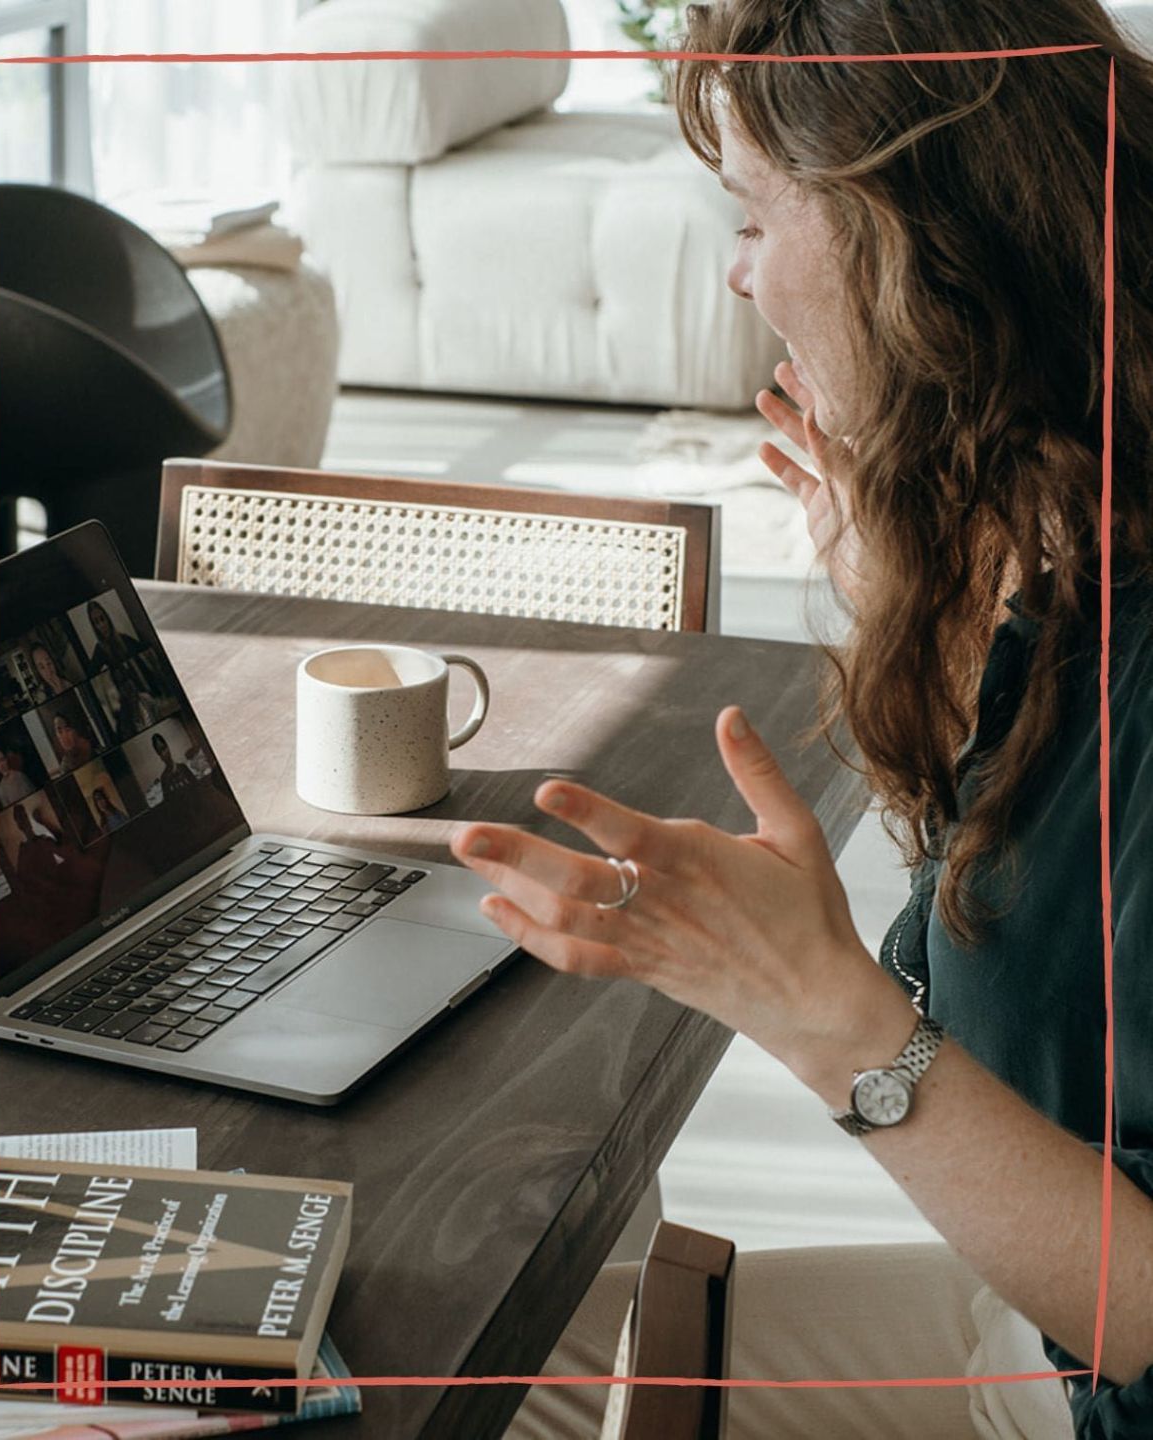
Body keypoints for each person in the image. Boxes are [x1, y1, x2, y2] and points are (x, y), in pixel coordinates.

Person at [453, 5, 1153, 1439]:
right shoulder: (1066, 554)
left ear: (913, 244)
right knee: (487, 1363)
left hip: (1098, 1377)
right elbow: (1016, 983)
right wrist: (932, 619)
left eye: (755, 218)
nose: (737, 276)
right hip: (1038, 1338)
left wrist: (815, 1014)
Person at [85, 599, 144, 671]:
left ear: (108, 619)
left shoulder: (124, 638)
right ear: (95, 627)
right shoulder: (100, 649)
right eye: (96, 622)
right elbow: (91, 672)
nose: (102, 625)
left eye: (102, 619)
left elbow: (143, 649)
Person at [151, 731, 194, 801]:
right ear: (159, 756)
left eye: (164, 748)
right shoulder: (164, 778)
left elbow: (197, 787)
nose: (164, 754)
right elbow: (170, 803)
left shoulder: (183, 768)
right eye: (160, 752)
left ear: (168, 747)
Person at [0, 746, 37, 810]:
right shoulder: (1, 789)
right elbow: (10, 809)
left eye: (2, 760)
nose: (1, 765)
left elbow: (33, 792)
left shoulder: (20, 775)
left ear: (6, 760)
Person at [51, 710, 96, 775]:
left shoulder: (88, 750)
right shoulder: (66, 761)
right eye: (59, 731)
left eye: (67, 729)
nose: (64, 735)